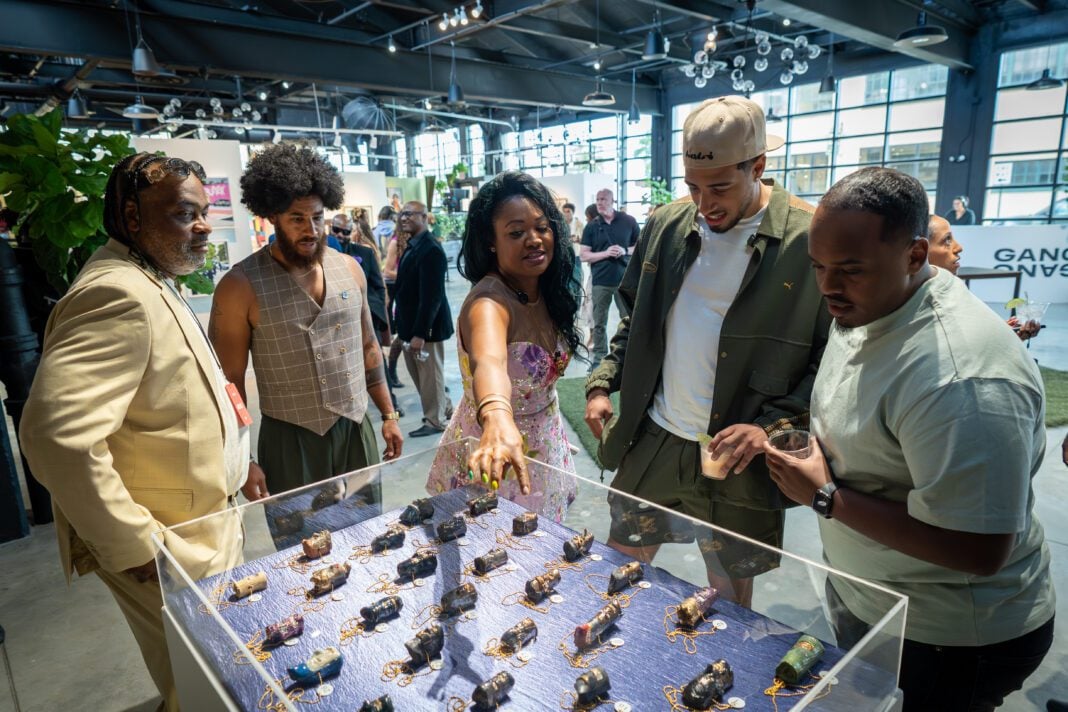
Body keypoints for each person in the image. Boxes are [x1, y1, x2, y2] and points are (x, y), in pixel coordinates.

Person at [765, 167, 1054, 710]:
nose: (828, 286)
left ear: (915, 256)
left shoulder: (961, 375)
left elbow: (980, 548)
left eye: (849, 269)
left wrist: (825, 497)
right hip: (875, 598)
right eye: (819, 266)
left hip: (952, 637)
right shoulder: (873, 302)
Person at [19, 152, 249, 711]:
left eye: (204, 213)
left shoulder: (150, 274)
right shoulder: (115, 292)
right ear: (131, 215)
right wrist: (135, 543)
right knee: (205, 684)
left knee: (224, 669)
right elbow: (56, 435)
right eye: (182, 213)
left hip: (202, 521)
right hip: (170, 541)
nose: (202, 226)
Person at [584, 96, 830, 606]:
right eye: (693, 187)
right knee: (616, 564)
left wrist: (770, 429)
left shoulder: (809, 239)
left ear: (758, 166)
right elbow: (637, 319)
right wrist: (604, 380)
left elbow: (831, 362)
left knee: (729, 593)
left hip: (738, 454)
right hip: (657, 434)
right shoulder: (668, 226)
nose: (705, 202)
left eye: (720, 186)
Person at [210, 144, 402, 502]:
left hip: (355, 428)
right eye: (296, 218)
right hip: (290, 440)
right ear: (272, 217)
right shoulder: (239, 287)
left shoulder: (350, 270)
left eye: (317, 216)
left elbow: (367, 347)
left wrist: (388, 414)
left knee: (367, 537)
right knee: (302, 550)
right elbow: (227, 383)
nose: (310, 229)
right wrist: (242, 459)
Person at [425, 172, 580, 519]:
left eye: (542, 227)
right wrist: (496, 418)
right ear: (491, 241)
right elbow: (489, 362)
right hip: (494, 453)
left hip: (544, 444)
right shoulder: (488, 303)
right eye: (516, 232)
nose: (534, 240)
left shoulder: (547, 290)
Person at [393, 200, 454, 437]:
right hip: (411, 327)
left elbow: (432, 297)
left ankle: (435, 420)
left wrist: (420, 333)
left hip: (427, 329)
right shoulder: (414, 245)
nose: (404, 218)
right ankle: (444, 407)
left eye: (409, 214)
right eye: (401, 214)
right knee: (422, 376)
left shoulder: (430, 249)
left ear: (424, 216)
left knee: (430, 375)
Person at [927, 215, 1042, 340]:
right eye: (947, 240)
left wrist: (1005, 334)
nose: (959, 247)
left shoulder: (954, 289)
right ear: (920, 250)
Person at [580, 188, 639, 368]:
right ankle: (599, 359)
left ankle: (626, 355)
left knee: (628, 320)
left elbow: (638, 247)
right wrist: (605, 253)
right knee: (599, 323)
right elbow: (584, 255)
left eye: (603, 199)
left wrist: (624, 250)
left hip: (624, 281)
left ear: (612, 200)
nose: (599, 202)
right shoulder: (591, 226)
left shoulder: (628, 221)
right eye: (597, 199)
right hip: (601, 282)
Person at [382, 225, 409, 389]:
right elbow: (387, 271)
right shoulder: (395, 243)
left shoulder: (411, 241)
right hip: (395, 291)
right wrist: (409, 274)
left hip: (407, 291)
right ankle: (391, 371)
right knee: (401, 334)